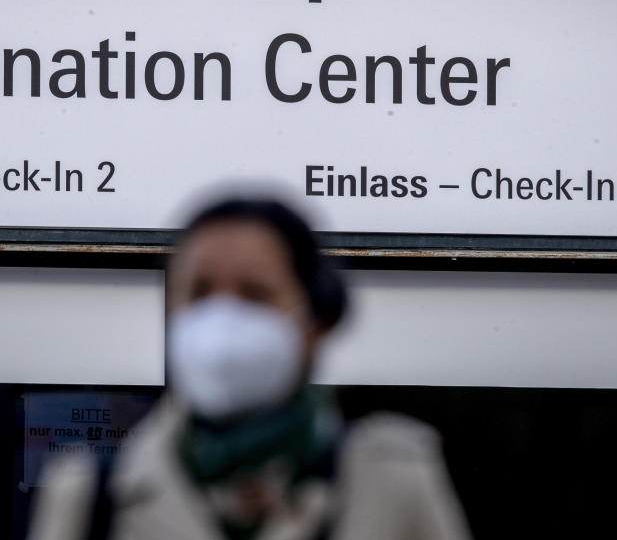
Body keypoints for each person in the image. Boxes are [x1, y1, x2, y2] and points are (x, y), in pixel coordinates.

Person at [28, 197, 472, 540]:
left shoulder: (390, 482)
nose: (223, 319)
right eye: (199, 293)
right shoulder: (89, 499)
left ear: (316, 320)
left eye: (255, 293)